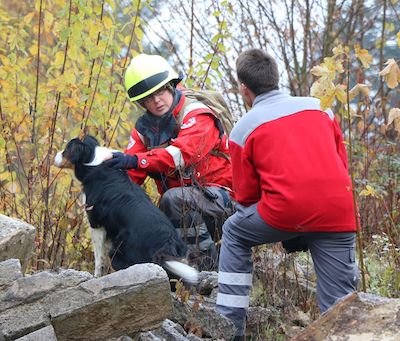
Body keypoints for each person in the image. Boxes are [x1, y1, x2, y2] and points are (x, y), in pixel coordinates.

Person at [216, 48, 359, 340]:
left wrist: (291, 226)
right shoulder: (321, 109)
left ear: (244, 89)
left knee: (234, 231)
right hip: (338, 210)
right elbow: (340, 164)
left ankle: (229, 329)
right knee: (340, 306)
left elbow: (245, 196)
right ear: (276, 78)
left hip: (283, 212)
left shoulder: (244, 129)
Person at [105, 53, 234, 271]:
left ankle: (208, 272)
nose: (156, 100)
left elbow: (181, 156)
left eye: (160, 91)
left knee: (173, 199)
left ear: (171, 86)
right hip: (184, 208)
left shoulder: (197, 114)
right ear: (141, 102)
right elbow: (129, 177)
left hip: (227, 201)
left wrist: (133, 160)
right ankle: (154, 286)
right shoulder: (144, 131)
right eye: (148, 97)